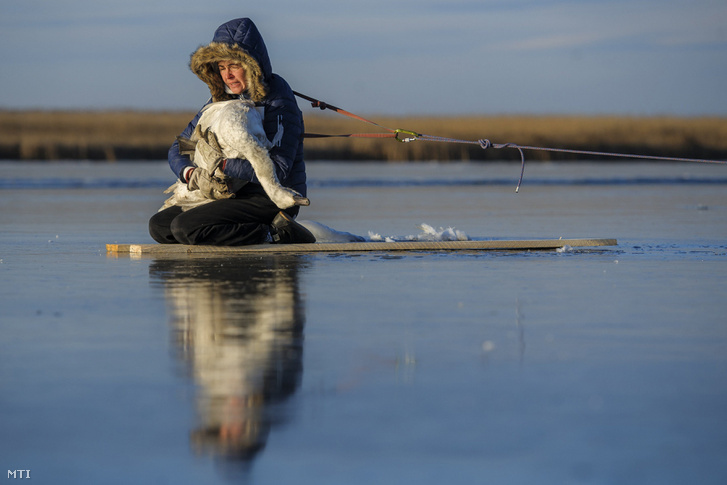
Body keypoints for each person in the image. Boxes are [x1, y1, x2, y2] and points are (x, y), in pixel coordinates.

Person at [149, 18, 315, 246]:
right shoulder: (222, 100)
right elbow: (179, 147)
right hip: (228, 193)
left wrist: (221, 165)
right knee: (160, 226)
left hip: (270, 196)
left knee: (185, 227)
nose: (227, 75)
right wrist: (190, 174)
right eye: (222, 67)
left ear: (252, 64)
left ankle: (277, 233)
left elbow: (280, 171)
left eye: (234, 66)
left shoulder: (279, 103)